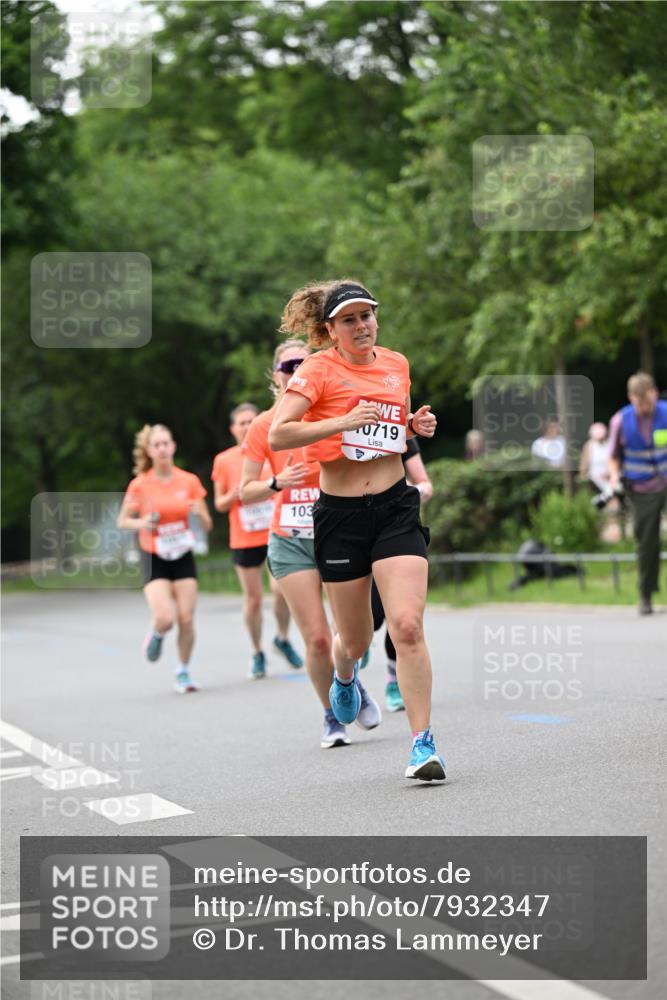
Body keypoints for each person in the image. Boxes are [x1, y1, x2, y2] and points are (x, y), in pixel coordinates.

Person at [270, 279, 445, 782]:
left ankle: (422, 744)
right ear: (331, 330)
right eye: (349, 320)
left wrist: (412, 427)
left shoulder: (396, 364)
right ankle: (345, 677)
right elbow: (281, 433)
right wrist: (340, 423)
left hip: (394, 508)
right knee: (355, 640)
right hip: (341, 516)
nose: (362, 325)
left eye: (367, 315)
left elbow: (387, 430)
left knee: (407, 625)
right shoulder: (316, 370)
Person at [240, 339, 382, 747]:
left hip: (338, 531)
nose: (296, 370)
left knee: (352, 632)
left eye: (304, 363)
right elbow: (245, 491)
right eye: (289, 365)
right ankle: (331, 717)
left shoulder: (337, 413)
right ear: (276, 375)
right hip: (291, 541)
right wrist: (275, 482)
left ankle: (348, 679)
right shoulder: (264, 426)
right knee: (318, 638)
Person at [117, 424, 212, 693]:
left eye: (165, 444)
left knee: (186, 619)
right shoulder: (140, 484)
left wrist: (199, 514)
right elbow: (123, 521)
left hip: (182, 554)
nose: (162, 449)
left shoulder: (189, 481)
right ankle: (157, 634)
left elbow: (207, 525)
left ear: (173, 447)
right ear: (149, 451)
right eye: (156, 445)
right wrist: (143, 522)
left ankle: (182, 671)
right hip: (154, 556)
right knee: (165, 618)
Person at [212, 401, 303, 679]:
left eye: (252, 421)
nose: (247, 426)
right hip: (244, 538)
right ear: (233, 429)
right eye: (242, 423)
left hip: (275, 531)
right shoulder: (224, 460)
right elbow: (219, 504)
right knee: (253, 600)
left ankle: (282, 638)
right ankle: (257, 652)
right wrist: (236, 494)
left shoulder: (273, 448)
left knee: (281, 589)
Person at [370, 436, 433, 713]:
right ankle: (351, 650)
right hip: (355, 529)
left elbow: (425, 484)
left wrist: (407, 491)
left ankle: (394, 676)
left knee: (403, 618)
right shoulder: (342, 424)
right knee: (371, 618)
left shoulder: (401, 432)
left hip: (396, 526)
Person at [608, 372, 667, 615]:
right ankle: (646, 594)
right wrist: (614, 477)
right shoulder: (620, 421)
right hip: (642, 489)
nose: (645, 407)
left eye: (648, 401)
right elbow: (613, 457)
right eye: (640, 402)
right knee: (647, 544)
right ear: (631, 398)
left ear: (655, 393)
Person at [579, 422, 610, 493]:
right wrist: (583, 476)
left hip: (609, 477)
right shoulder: (588, 446)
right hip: (594, 479)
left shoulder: (609, 444)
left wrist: (609, 474)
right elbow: (583, 464)